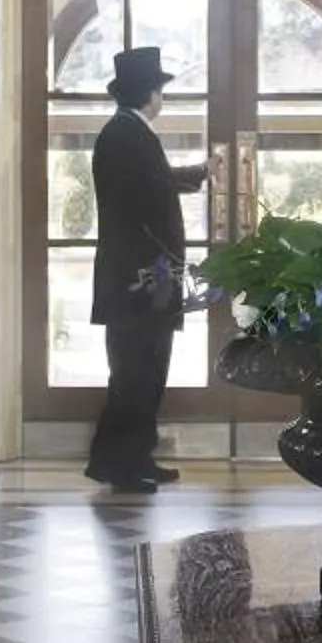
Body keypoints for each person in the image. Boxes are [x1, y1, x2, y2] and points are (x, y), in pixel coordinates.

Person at [85, 44, 207, 493]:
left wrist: (200, 172)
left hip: (144, 277)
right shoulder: (124, 136)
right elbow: (152, 191)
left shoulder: (127, 132)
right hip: (137, 279)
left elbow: (155, 182)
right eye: (160, 91)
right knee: (135, 372)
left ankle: (136, 456)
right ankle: (116, 463)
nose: (162, 99)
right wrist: (200, 172)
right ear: (150, 94)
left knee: (147, 370)